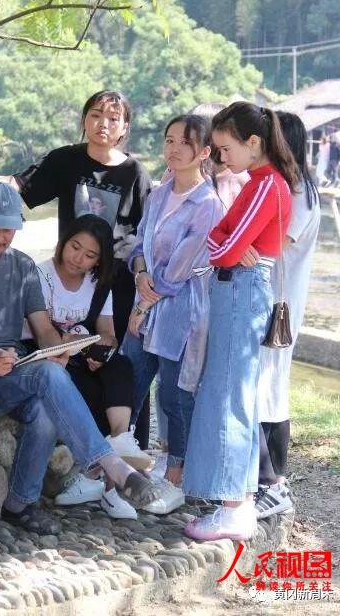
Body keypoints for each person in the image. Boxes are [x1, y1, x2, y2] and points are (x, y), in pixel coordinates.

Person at [0, 181, 158, 536]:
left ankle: (20, 504)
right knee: (46, 378)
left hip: (10, 370)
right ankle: (111, 464)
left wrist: (57, 350)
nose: (1, 237)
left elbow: (43, 328)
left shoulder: (21, 266)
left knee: (46, 405)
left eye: (9, 229)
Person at [183, 101, 299, 542]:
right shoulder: (261, 183)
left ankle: (233, 507)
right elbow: (220, 237)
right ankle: (238, 501)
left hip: (242, 291)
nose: (219, 158)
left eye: (225, 149)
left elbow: (223, 248)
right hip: (239, 289)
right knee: (232, 393)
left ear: (253, 142)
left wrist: (228, 245)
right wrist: (227, 244)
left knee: (230, 395)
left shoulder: (266, 186)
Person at [13, 91, 153, 448]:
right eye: (95, 115)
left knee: (118, 359)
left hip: (117, 283)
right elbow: (20, 188)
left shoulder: (135, 173)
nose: (102, 124)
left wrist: (143, 283)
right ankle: (83, 447)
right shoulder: (65, 160)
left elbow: (148, 235)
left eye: (113, 118)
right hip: (71, 275)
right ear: (84, 119)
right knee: (70, 356)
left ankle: (131, 444)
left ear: (125, 127)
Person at [122, 114, 224, 515]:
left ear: (204, 151)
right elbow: (139, 245)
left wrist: (142, 303)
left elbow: (180, 269)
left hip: (182, 313)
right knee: (128, 382)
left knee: (175, 394)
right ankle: (113, 468)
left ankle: (176, 478)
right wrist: (139, 272)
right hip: (146, 302)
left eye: (185, 142)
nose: (175, 148)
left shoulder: (208, 204)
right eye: (169, 140)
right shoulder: (160, 194)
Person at [31, 214, 148, 519]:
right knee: (91, 390)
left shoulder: (99, 284)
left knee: (120, 365)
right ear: (63, 242)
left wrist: (100, 350)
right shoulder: (40, 275)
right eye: (75, 247)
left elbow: (108, 332)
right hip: (48, 357)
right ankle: (104, 482)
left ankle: (120, 440)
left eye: (90, 255)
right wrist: (69, 342)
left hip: (81, 355)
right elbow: (41, 331)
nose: (78, 258)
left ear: (99, 260)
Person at [256, 112, 320, 519]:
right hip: (278, 302)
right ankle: (273, 480)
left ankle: (274, 483)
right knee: (271, 387)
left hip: (278, 307)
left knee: (267, 387)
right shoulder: (295, 187)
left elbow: (275, 244)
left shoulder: (298, 193)